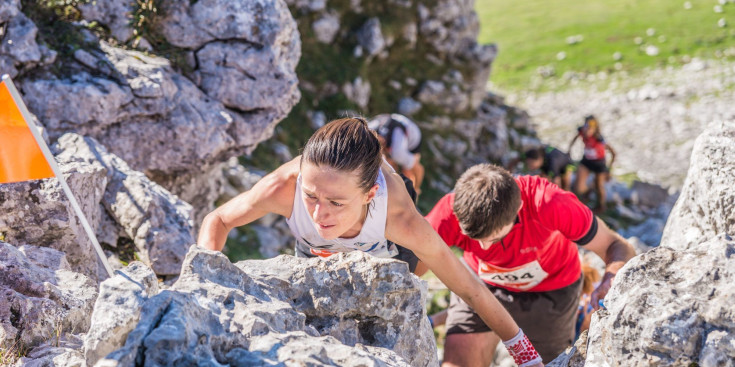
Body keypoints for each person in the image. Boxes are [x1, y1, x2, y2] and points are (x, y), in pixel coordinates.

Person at [197, 118, 544, 367]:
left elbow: (467, 286)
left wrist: (522, 349)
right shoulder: (284, 187)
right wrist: (200, 297)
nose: (319, 214)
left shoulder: (397, 216)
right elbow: (219, 220)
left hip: (387, 257)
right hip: (314, 263)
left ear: (369, 194)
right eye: (310, 196)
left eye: (335, 203)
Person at [424, 163, 635, 365]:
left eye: (495, 239)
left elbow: (615, 244)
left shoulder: (550, 203)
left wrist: (611, 279)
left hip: (552, 290)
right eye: (473, 238)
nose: (484, 249)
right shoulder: (448, 212)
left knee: (544, 364)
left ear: (519, 209)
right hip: (480, 285)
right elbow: (406, 266)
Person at [568, 115, 617, 213]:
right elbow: (575, 138)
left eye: (589, 129)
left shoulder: (599, 139)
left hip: (599, 163)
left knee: (599, 186)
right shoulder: (581, 131)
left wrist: (609, 169)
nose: (587, 131)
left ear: (594, 129)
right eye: (586, 128)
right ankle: (586, 194)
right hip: (587, 160)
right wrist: (569, 150)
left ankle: (601, 206)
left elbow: (613, 153)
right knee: (578, 187)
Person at [368, 113, 425, 195]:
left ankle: (413, 193)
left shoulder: (398, 152)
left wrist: (416, 188)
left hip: (412, 135)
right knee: (386, 166)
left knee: (408, 170)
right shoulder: (368, 131)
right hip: (393, 125)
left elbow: (418, 168)